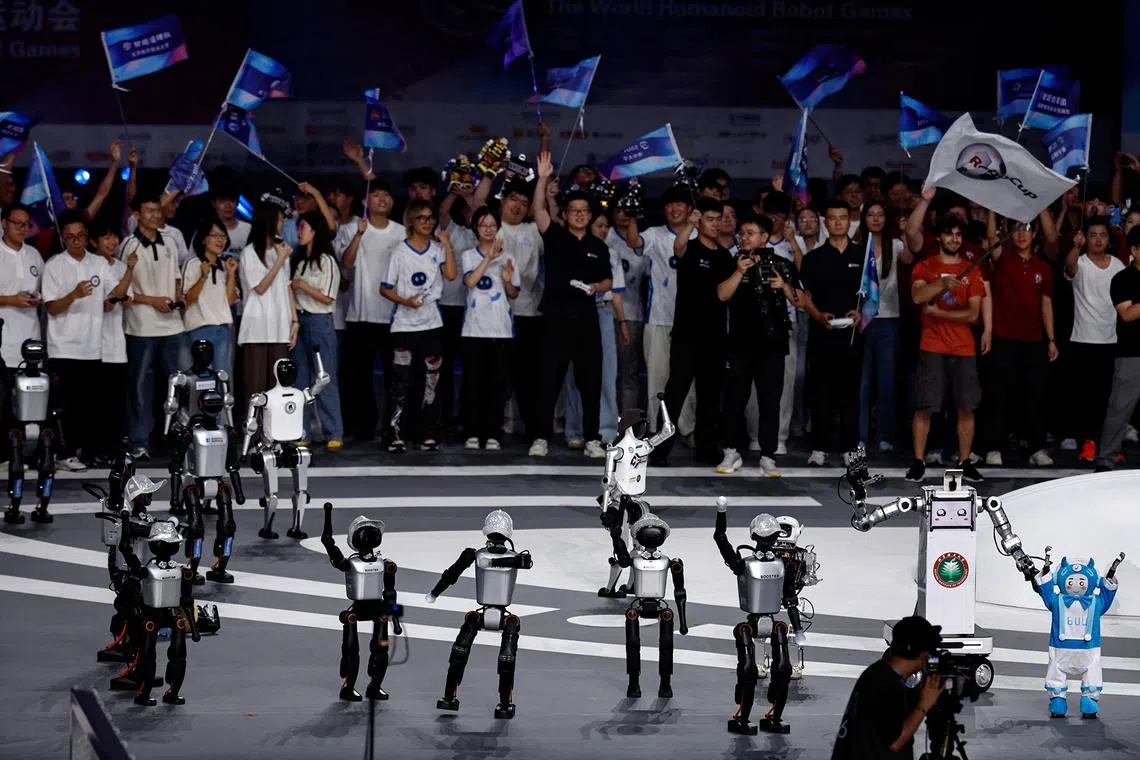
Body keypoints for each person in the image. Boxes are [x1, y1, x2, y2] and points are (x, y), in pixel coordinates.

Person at [529, 152, 612, 459]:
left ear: (590, 215)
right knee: (548, 381)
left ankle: (592, 438)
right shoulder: (555, 235)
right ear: (564, 214)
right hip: (555, 320)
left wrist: (596, 287)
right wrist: (542, 179)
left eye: (584, 211)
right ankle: (540, 437)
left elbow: (607, 280)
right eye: (573, 210)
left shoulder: (598, 245)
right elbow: (538, 210)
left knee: (590, 383)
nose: (579, 215)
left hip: (587, 321)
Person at [652, 198, 735, 466]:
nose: (715, 224)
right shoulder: (690, 248)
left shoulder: (725, 256)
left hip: (715, 335)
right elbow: (678, 246)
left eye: (718, 219)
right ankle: (659, 449)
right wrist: (689, 223)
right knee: (675, 392)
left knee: (710, 395)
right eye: (710, 219)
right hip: (687, 334)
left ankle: (706, 448)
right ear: (700, 222)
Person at [716, 214, 800, 477]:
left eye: (750, 232)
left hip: (773, 343)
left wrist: (784, 287)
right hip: (740, 342)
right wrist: (740, 271)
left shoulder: (782, 264)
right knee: (734, 399)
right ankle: (731, 451)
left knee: (770, 401)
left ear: (764, 236)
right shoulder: (731, 262)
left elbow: (799, 300)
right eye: (742, 233)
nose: (744, 237)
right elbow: (721, 294)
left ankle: (768, 456)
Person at [906, 214, 987, 483]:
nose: (954, 239)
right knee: (924, 405)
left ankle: (965, 461)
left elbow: (973, 314)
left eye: (958, 234)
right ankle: (918, 461)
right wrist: (941, 283)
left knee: (966, 406)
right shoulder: (925, 266)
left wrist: (938, 313)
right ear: (939, 237)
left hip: (964, 347)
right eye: (949, 233)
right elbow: (917, 296)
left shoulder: (971, 269)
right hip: (932, 345)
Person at [41, 212, 122, 470]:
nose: (76, 241)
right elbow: (52, 307)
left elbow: (114, 292)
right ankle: (63, 454)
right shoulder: (54, 265)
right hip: (63, 347)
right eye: (70, 237)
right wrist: (74, 295)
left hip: (92, 346)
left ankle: (87, 452)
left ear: (87, 237)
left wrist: (129, 274)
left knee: (89, 406)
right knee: (65, 405)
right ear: (62, 238)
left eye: (80, 236)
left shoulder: (98, 263)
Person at [379, 199, 457, 452]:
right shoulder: (399, 252)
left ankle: (428, 433)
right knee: (401, 382)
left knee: (432, 381)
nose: (427, 222)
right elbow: (385, 288)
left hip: (432, 323)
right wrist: (406, 302)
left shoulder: (438, 249)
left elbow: (452, 275)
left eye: (430, 218)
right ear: (411, 221)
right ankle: (395, 433)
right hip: (404, 324)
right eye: (421, 218)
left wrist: (447, 245)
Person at [984, 212, 1059, 468]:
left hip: (1034, 340)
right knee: (999, 395)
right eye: (1017, 229)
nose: (1022, 234)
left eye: (1027, 229)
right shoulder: (1003, 257)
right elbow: (991, 237)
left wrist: (1051, 339)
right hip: (1004, 337)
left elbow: (1046, 304)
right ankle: (994, 446)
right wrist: (992, 209)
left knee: (1035, 396)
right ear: (1009, 233)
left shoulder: (1043, 267)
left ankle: (1037, 447)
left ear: (1035, 234)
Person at [119, 193, 188, 460]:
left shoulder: (170, 240)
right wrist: (153, 300)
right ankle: (139, 441)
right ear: (136, 215)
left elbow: (177, 277)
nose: (156, 215)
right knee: (139, 387)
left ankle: (180, 438)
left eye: (157, 210)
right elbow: (122, 290)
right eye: (149, 210)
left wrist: (179, 298)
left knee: (182, 383)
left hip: (173, 324)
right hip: (141, 326)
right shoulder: (129, 245)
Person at [799, 200, 865, 466]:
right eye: (833, 218)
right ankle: (819, 447)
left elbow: (872, 294)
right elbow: (804, 296)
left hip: (852, 335)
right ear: (825, 223)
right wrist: (818, 315)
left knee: (851, 394)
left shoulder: (863, 255)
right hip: (822, 333)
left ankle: (850, 448)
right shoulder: (813, 258)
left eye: (843, 217)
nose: (838, 222)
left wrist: (861, 314)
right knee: (821, 392)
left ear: (850, 221)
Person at [341, 180, 405, 443]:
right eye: (376, 194)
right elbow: (346, 265)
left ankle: (392, 426)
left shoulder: (401, 232)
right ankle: (363, 427)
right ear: (365, 201)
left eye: (386, 194)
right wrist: (359, 234)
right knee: (359, 376)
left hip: (393, 316)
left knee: (395, 376)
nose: (382, 199)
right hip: (361, 314)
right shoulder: (351, 228)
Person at [830, 615, 944, 760]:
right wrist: (924, 704)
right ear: (922, 655)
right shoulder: (887, 685)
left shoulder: (876, 672)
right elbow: (896, 741)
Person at [1064, 216, 1125, 462]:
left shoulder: (1118, 265)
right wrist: (1075, 247)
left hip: (1111, 339)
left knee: (1108, 396)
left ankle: (1107, 445)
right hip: (1083, 339)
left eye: (1102, 235)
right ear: (1085, 238)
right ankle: (1088, 443)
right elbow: (1069, 269)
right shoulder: (1079, 262)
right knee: (1085, 397)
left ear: (1109, 239)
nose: (1098, 239)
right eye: (1093, 235)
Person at [460, 207, 519, 450]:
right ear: (476, 228)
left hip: (501, 329)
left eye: (492, 226)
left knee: (498, 384)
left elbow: (514, 293)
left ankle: (494, 432)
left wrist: (507, 280)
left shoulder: (509, 257)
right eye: (483, 225)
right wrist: (489, 258)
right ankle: (473, 431)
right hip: (473, 329)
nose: (488, 230)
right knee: (474, 383)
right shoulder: (468, 255)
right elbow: (470, 281)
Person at [858, 201, 912, 453]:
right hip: (861, 319)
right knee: (862, 382)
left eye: (880, 214)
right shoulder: (858, 245)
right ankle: (860, 434)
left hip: (889, 318)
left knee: (886, 380)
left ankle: (885, 434)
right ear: (864, 219)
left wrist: (905, 232)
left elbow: (909, 258)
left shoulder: (895, 244)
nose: (876, 219)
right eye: (871, 214)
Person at [290, 210, 344, 452]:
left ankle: (334, 431)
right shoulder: (298, 259)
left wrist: (303, 286)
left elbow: (328, 297)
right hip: (299, 320)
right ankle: (303, 431)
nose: (299, 231)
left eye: (303, 227)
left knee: (324, 376)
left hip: (320, 320)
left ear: (315, 230)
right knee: (300, 378)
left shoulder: (326, 260)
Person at [238, 202, 298, 400]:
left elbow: (287, 286)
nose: (282, 224)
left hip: (280, 326)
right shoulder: (250, 252)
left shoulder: (282, 250)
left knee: (278, 388)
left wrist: (294, 320)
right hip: (256, 328)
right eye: (279, 220)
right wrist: (280, 260)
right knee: (256, 388)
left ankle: (274, 423)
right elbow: (260, 288)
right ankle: (253, 422)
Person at [1096, 225, 1140, 471]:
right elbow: (1127, 313)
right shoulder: (1122, 279)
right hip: (1132, 354)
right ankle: (1106, 459)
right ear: (1134, 250)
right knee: (1120, 408)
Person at [89, 220, 132, 465]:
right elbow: (109, 302)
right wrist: (118, 294)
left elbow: (126, 299)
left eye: (114, 236)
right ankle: (95, 449)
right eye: (106, 237)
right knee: (97, 403)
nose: (112, 242)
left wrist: (128, 273)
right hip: (93, 346)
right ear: (93, 242)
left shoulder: (122, 266)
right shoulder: (91, 265)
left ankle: (115, 449)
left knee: (116, 402)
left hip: (117, 345)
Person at [181, 218, 238, 374]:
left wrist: (231, 275)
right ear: (203, 239)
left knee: (222, 375)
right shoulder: (192, 263)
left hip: (222, 329)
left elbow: (230, 301)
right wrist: (203, 277)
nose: (220, 240)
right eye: (215, 235)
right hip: (199, 327)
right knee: (200, 377)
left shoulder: (225, 266)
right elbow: (186, 300)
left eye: (223, 236)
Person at [0, 203, 44, 374]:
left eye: (26, 224)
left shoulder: (34, 254)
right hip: (3, 345)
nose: (23, 229)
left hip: (30, 344)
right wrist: (11, 300)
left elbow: (45, 290)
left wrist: (38, 299)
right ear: (4, 223)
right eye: (18, 223)